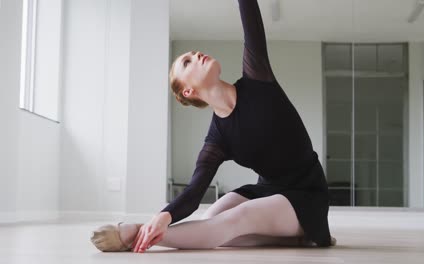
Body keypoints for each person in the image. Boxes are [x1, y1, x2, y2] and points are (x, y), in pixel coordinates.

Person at [90, 0, 336, 253]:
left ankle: (135, 233)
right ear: (188, 91)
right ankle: (290, 239)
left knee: (235, 219)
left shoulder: (257, 78)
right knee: (212, 218)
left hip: (306, 194)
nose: (195, 55)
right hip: (268, 190)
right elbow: (194, 193)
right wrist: (164, 216)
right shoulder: (217, 139)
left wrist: (154, 223)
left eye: (192, 54)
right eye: (187, 63)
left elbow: (251, 21)